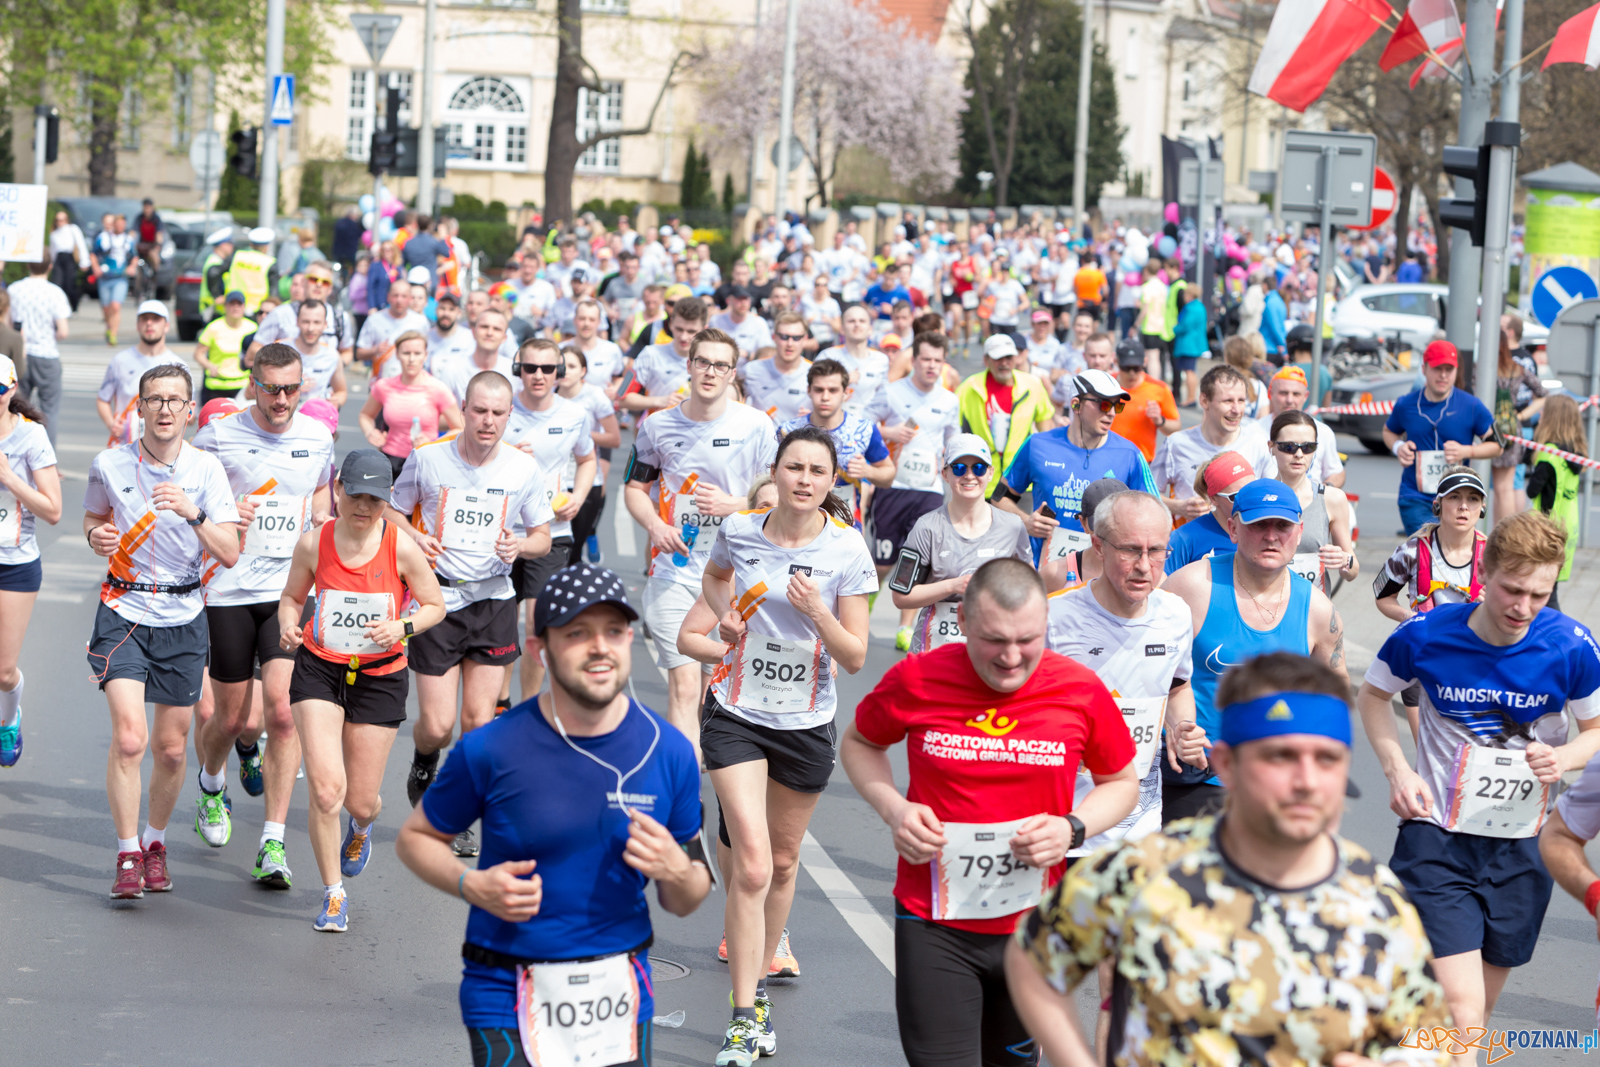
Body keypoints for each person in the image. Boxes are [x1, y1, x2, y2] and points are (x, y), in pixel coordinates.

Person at [1008, 652, 1453, 1067]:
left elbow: (1434, 1041)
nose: (1306, 781)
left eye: (1327, 759)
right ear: (1226, 764)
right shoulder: (1145, 872)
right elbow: (1031, 961)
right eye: (1280, 757)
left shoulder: (1378, 901)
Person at [396, 564, 710, 1067]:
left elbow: (687, 896)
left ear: (630, 640)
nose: (600, 647)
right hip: (506, 989)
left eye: (613, 631)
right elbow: (416, 838)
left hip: (619, 991)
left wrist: (676, 871)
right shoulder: (491, 748)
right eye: (577, 633)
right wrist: (470, 885)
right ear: (540, 649)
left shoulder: (669, 751)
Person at [842, 557, 1137, 1067]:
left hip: (1033, 930)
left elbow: (1122, 782)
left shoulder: (1078, 689)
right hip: (934, 922)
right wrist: (894, 809)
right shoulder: (919, 677)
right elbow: (860, 742)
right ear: (963, 621)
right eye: (995, 640)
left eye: (1028, 640)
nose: (1012, 657)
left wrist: (1072, 827)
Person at [1358, 511, 1600, 1064]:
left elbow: (1596, 730)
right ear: (1484, 573)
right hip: (1437, 839)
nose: (1523, 607)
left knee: (1474, 1023)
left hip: (1524, 846)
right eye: (1512, 590)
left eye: (1539, 594)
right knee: (1461, 1012)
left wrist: (1563, 757)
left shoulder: (1571, 646)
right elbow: (1371, 696)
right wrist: (1398, 769)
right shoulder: (1425, 634)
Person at [701, 426, 877, 1067]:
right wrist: (725, 617)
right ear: (774, 471)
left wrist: (818, 613)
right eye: (794, 467)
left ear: (831, 482)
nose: (804, 480)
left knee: (780, 861)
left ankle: (759, 990)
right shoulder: (741, 530)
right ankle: (743, 1014)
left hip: (805, 722)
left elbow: (855, 656)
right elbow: (714, 579)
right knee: (751, 865)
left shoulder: (847, 548)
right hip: (736, 712)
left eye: (817, 471)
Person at [86, 365, 243, 899]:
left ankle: (155, 843)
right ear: (140, 407)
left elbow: (229, 551)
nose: (165, 409)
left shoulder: (207, 469)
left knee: (172, 750)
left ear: (190, 410)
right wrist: (97, 536)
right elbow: (92, 520)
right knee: (131, 738)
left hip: (182, 616)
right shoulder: (110, 463)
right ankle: (128, 854)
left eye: (175, 400)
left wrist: (194, 514)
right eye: (154, 399)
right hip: (124, 610)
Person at [275, 448, 446, 930]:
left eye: (375, 498)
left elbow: (435, 606)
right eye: (356, 495)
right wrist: (288, 624)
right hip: (319, 669)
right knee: (327, 789)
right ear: (338, 490)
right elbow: (291, 596)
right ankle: (334, 894)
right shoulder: (314, 543)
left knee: (359, 800)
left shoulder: (402, 548)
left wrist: (402, 627)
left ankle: (362, 825)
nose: (364, 507)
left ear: (387, 499)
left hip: (380, 676)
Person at [189, 343, 336, 884]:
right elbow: (190, 497)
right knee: (232, 720)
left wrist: (319, 520)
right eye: (271, 388)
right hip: (228, 589)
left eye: (291, 388)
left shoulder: (317, 437)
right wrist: (227, 510)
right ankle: (211, 783)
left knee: (282, 711)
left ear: (302, 387)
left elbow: (320, 495)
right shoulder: (218, 435)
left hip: (288, 592)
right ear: (253, 384)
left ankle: (272, 842)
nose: (281, 399)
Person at [393, 372, 554, 861]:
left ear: (509, 416)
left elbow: (543, 537)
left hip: (494, 601)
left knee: (478, 723)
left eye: (498, 413)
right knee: (438, 726)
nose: (488, 421)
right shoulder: (428, 458)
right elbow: (392, 512)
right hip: (438, 602)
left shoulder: (523, 469)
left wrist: (519, 545)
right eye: (479, 410)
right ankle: (424, 763)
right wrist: (415, 537)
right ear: (463, 409)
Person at [625, 329, 776, 759]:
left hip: (734, 575)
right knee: (685, 684)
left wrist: (735, 504)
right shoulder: (656, 426)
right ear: (689, 366)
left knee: (717, 683)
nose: (710, 371)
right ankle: (686, 789)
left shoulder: (756, 425)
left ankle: (715, 758)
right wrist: (655, 526)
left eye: (720, 365)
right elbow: (635, 488)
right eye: (703, 362)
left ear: (732, 373)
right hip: (674, 571)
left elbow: (777, 497)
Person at [1160, 479, 1346, 823]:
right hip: (1195, 777)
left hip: (1275, 785)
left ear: (1299, 531)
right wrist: (1175, 725)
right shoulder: (1191, 587)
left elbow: (1335, 696)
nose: (1271, 536)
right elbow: (1149, 668)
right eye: (1259, 525)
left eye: (1282, 526)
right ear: (1233, 528)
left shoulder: (1319, 611)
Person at [504, 338, 597, 704]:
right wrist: (504, 452)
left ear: (559, 372)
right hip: (502, 532)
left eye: (547, 368)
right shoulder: (502, 410)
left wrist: (578, 497)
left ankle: (528, 705)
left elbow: (587, 460)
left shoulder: (573, 414)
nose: (538, 375)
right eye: (530, 368)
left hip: (552, 531)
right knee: (502, 624)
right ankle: (500, 703)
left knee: (535, 624)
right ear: (519, 370)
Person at [994, 369, 1158, 565]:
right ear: (1076, 404)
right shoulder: (1038, 444)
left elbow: (1155, 515)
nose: (1111, 413)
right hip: (1044, 569)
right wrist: (1026, 521)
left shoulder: (1129, 454)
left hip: (1103, 573)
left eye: (1117, 406)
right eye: (1104, 404)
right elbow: (999, 497)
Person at [890, 433, 1031, 656]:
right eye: (959, 468)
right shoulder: (926, 527)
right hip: (933, 653)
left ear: (991, 473)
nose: (969, 475)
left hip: (990, 652)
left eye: (978, 468)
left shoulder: (1013, 527)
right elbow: (900, 597)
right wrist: (954, 586)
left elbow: (1029, 590)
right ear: (945, 474)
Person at [1372, 466, 1488, 738]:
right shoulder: (1412, 551)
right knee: (1426, 753)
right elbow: (1382, 597)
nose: (1463, 506)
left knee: (1467, 754)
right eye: (1454, 497)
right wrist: (1409, 617)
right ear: (1438, 504)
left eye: (1472, 499)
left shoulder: (1494, 553)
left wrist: (1492, 604)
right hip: (1421, 663)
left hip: (1473, 665)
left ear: (1482, 508)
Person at [865, 332, 961, 648]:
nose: (932, 366)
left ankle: (905, 627)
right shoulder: (892, 392)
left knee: (916, 558)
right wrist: (889, 431)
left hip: (929, 490)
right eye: (926, 359)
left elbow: (953, 439)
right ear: (914, 360)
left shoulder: (949, 400)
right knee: (883, 562)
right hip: (892, 485)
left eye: (938, 360)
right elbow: (862, 425)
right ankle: (868, 599)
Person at [0, 355, 61, 769]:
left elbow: (54, 510)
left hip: (14, 564)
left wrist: (9, 478)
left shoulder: (30, 436)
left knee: (3, 672)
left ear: (12, 389)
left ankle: (8, 720)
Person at [1385, 340, 1501, 536]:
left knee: (1451, 548)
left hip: (1456, 497)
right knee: (1429, 545)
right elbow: (1388, 431)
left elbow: (1498, 446)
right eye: (1437, 368)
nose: (1443, 375)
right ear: (1424, 369)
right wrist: (1398, 447)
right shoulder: (1406, 404)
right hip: (1415, 496)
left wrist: (1466, 451)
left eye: (1449, 369)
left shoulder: (1471, 405)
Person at [775, 359, 896, 528]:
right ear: (809, 390)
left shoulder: (863, 429)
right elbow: (770, 476)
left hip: (846, 526)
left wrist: (868, 471)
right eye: (819, 390)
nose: (825, 397)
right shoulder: (788, 431)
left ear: (846, 392)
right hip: (796, 526)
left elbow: (889, 475)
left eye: (833, 390)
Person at [1151, 364, 1271, 524]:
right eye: (1228, 401)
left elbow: (1271, 497)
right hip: (1189, 538)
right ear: (1204, 401)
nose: (1237, 410)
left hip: (1241, 539)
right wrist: (1178, 507)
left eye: (1241, 400)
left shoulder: (1258, 442)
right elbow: (1148, 493)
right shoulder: (1176, 444)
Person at [1269, 410, 1357, 594]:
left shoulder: (1332, 498)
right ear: (1272, 447)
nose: (1299, 454)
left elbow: (1352, 570)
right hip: (1266, 604)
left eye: (1308, 447)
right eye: (1289, 447)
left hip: (1313, 606)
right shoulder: (1257, 496)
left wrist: (1344, 560)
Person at [953, 334, 1053, 494]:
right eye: (998, 358)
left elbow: (1045, 424)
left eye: (1009, 357)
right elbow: (952, 428)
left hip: (1020, 480)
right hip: (980, 479)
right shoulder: (969, 387)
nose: (1004, 363)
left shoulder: (1032, 384)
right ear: (986, 360)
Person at [360, 332, 463, 478]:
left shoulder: (438, 388)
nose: (411, 359)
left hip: (425, 459)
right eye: (406, 353)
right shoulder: (384, 386)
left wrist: (434, 443)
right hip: (390, 460)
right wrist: (370, 432)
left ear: (425, 355)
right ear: (397, 354)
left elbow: (460, 428)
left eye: (417, 353)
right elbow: (365, 415)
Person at [96, 302, 194, 448]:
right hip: (124, 445)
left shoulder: (179, 365)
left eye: (155, 319)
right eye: (144, 319)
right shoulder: (120, 361)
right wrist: (111, 423)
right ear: (137, 325)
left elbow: (190, 413)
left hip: (163, 450)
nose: (149, 323)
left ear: (166, 326)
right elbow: (103, 399)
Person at [1526, 394, 1585, 612]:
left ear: (1551, 419)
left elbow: (1532, 490)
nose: (1540, 414)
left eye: (1545, 412)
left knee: (1544, 591)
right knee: (1552, 584)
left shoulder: (1549, 455)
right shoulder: (1576, 454)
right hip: (1567, 526)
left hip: (1546, 528)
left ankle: (1554, 627)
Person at [6, 258, 71, 445]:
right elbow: (63, 331)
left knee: (17, 408)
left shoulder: (14, 289)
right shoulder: (55, 292)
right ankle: (45, 455)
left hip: (21, 354)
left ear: (28, 264)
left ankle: (17, 450)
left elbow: (8, 325)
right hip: (47, 354)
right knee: (49, 410)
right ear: (50, 266)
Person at [246, 262, 355, 365]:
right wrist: (284, 364)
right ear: (304, 282)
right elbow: (254, 349)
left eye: (325, 282)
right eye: (313, 279)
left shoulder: (339, 318)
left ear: (330, 288)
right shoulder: (281, 314)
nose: (319, 284)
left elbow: (347, 351)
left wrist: (331, 368)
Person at [1255, 364, 1345, 487]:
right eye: (1283, 393)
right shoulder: (1254, 431)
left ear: (1305, 396)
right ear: (1270, 393)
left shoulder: (1323, 432)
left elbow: (1336, 472)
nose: (1289, 400)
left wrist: (1323, 491)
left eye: (1308, 447)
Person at [623, 296, 707, 414]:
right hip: (657, 424)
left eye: (691, 331)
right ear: (671, 323)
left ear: (704, 329)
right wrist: (659, 401)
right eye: (679, 329)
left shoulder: (712, 360)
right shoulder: (650, 354)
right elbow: (622, 397)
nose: (684, 337)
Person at [1107, 337, 1179, 463]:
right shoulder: (1106, 384)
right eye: (1126, 367)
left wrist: (1160, 420)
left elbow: (1176, 428)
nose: (1131, 373)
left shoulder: (1159, 388)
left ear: (1145, 362)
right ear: (1116, 361)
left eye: (1136, 368)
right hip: (1108, 458)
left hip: (1142, 462)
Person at [739, 311, 811, 423]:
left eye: (796, 338)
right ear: (774, 337)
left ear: (805, 339)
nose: (790, 343)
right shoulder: (751, 370)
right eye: (784, 337)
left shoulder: (814, 374)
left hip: (802, 433)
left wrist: (815, 418)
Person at [433, 309, 517, 406]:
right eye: (484, 327)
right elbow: (441, 409)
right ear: (473, 332)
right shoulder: (452, 370)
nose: (489, 333)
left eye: (496, 329)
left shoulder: (514, 373)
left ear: (504, 338)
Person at [818, 305, 888, 416]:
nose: (857, 324)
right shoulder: (827, 356)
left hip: (869, 422)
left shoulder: (881, 360)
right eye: (851, 321)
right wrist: (842, 381)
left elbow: (884, 398)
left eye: (862, 321)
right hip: (833, 421)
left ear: (870, 329)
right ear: (842, 329)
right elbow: (815, 389)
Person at [357, 279, 430, 379]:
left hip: (411, 383)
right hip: (381, 382)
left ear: (410, 299)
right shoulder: (374, 320)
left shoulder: (420, 322)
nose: (399, 300)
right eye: (395, 296)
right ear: (388, 297)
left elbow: (427, 353)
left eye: (404, 296)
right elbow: (359, 353)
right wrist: (375, 350)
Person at [193, 291, 255, 405]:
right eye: (232, 304)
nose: (235, 308)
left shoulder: (252, 328)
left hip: (242, 384)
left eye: (239, 304)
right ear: (225, 306)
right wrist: (209, 366)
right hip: (217, 384)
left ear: (244, 307)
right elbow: (198, 354)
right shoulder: (214, 327)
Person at [285, 299, 349, 407]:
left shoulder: (332, 355)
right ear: (297, 322)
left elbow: (341, 391)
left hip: (317, 415)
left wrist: (335, 402)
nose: (311, 328)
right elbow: (259, 390)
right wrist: (292, 389)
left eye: (316, 322)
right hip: (285, 414)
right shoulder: (281, 351)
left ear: (325, 324)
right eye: (306, 322)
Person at [91, 213, 137, 345]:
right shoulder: (103, 238)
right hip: (105, 276)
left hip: (120, 277)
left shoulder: (128, 240)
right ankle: (109, 326)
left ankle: (113, 334)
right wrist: (96, 267)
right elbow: (93, 254)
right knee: (106, 308)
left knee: (116, 306)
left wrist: (132, 267)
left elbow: (134, 256)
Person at [48, 209, 89, 312]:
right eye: (58, 220)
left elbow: (81, 244)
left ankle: (74, 306)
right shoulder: (54, 233)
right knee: (57, 284)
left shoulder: (72, 229)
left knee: (70, 284)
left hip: (69, 258)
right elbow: (53, 249)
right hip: (58, 259)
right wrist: (51, 262)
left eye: (62, 220)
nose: (60, 222)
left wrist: (84, 261)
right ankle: (58, 308)